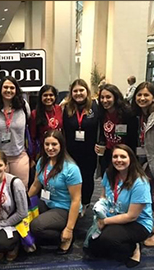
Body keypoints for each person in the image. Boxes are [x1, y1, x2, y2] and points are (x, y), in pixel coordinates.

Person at [86, 144, 152, 268]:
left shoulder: (140, 182)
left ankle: (134, 247)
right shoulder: (110, 173)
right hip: (114, 215)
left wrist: (104, 221)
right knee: (92, 248)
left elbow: (131, 216)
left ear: (131, 159)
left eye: (123, 156)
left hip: (138, 223)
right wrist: (100, 209)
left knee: (108, 239)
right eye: (115, 156)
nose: (118, 160)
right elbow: (104, 196)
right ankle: (118, 240)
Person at [28, 130, 82, 254]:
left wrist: (69, 228)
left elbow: (76, 200)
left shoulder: (71, 169)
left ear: (61, 145)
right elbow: (36, 184)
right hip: (48, 202)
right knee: (23, 212)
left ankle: (64, 238)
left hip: (65, 208)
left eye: (54, 144)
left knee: (36, 226)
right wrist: (23, 201)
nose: (50, 148)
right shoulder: (42, 161)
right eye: (47, 144)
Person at [62, 79, 99, 216]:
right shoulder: (66, 108)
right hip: (71, 150)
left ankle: (85, 202)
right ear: (71, 93)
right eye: (75, 91)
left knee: (87, 177)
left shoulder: (95, 106)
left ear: (87, 91)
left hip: (90, 151)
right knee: (71, 177)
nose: (78, 93)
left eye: (81, 90)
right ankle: (72, 201)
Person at [0, 76, 31, 189]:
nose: (8, 90)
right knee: (0, 190)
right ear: (0, 89)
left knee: (20, 190)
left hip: (19, 155)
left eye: (12, 88)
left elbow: (30, 125)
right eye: (5, 87)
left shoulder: (23, 106)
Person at [95, 83, 137, 177]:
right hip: (108, 154)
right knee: (108, 182)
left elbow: (133, 139)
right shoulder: (101, 113)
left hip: (124, 155)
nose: (104, 100)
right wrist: (99, 144)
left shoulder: (128, 114)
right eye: (102, 97)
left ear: (115, 97)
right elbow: (102, 133)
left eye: (108, 97)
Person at [131, 81, 154, 246]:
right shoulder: (140, 116)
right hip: (146, 161)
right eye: (139, 94)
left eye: (146, 95)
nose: (142, 98)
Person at [30, 84, 62, 160]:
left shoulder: (59, 109)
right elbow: (32, 137)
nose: (48, 98)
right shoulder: (35, 114)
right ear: (40, 97)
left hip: (59, 149)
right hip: (44, 150)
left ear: (55, 97)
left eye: (51, 95)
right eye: (45, 95)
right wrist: (32, 157)